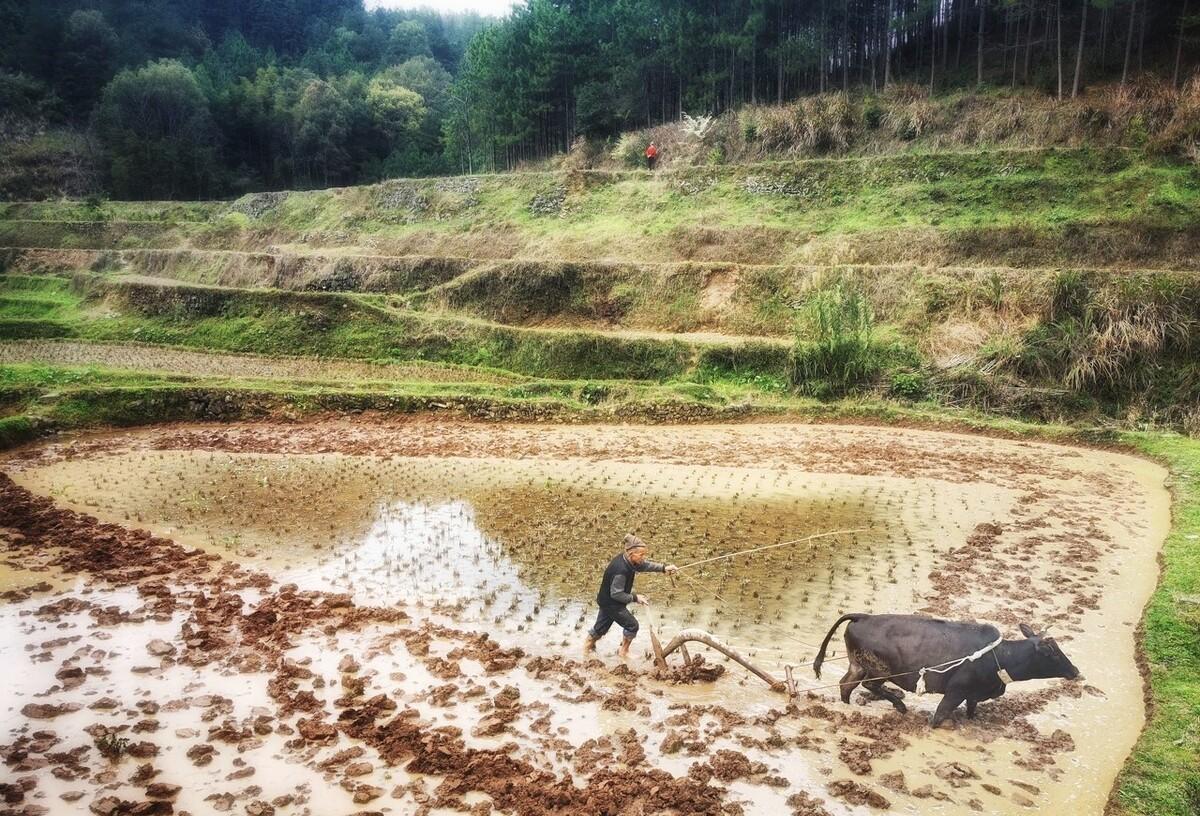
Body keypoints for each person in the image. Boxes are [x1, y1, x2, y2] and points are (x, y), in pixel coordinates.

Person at [584, 533, 678, 658]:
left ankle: (586, 648)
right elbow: (616, 594)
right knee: (632, 625)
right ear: (631, 553)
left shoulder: (628, 561)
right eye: (641, 554)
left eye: (644, 554)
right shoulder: (621, 570)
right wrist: (635, 597)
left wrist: (663, 568)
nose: (643, 558)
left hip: (606, 600)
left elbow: (644, 566)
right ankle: (624, 652)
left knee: (600, 628)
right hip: (612, 603)